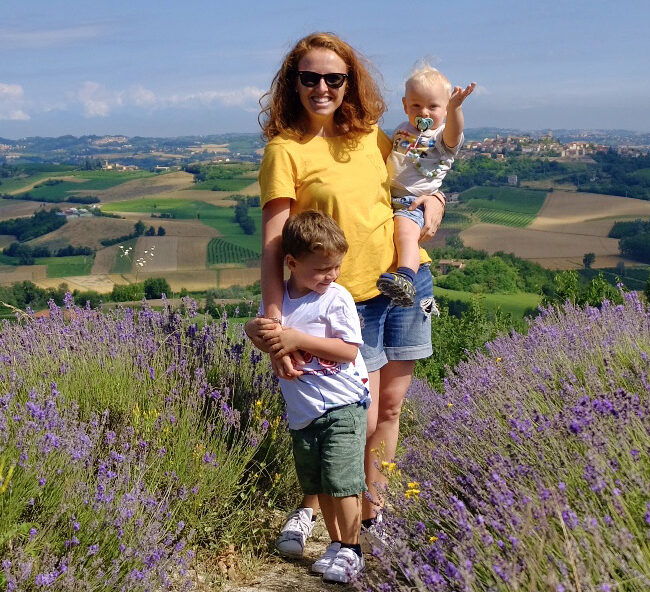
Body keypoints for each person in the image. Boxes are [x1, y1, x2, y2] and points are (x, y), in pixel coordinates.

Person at [245, 31, 446, 562]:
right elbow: (274, 243)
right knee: (353, 411)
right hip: (343, 300)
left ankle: (374, 513)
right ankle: (337, 521)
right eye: (309, 78)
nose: (322, 88)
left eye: (334, 78)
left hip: (405, 284)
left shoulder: (371, 135)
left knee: (391, 408)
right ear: (293, 84)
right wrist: (275, 325)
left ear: (349, 83)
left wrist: (436, 202)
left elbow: (412, 181)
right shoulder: (283, 150)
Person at [256, 210, 370, 582]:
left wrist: (298, 340)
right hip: (302, 413)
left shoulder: (335, 299)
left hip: (342, 405)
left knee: (343, 482)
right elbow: (263, 335)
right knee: (319, 483)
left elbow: (349, 351)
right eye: (323, 269)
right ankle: (335, 544)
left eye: (336, 266)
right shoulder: (279, 302)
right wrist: (251, 329)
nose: (332, 275)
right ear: (291, 263)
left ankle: (352, 549)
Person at [377, 64, 475, 306]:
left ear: (444, 107)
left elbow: (455, 131)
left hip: (414, 202)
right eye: (416, 105)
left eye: (434, 106)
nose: (424, 112)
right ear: (405, 105)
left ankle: (406, 278)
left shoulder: (441, 136)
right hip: (391, 198)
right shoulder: (402, 129)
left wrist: (455, 109)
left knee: (405, 234)